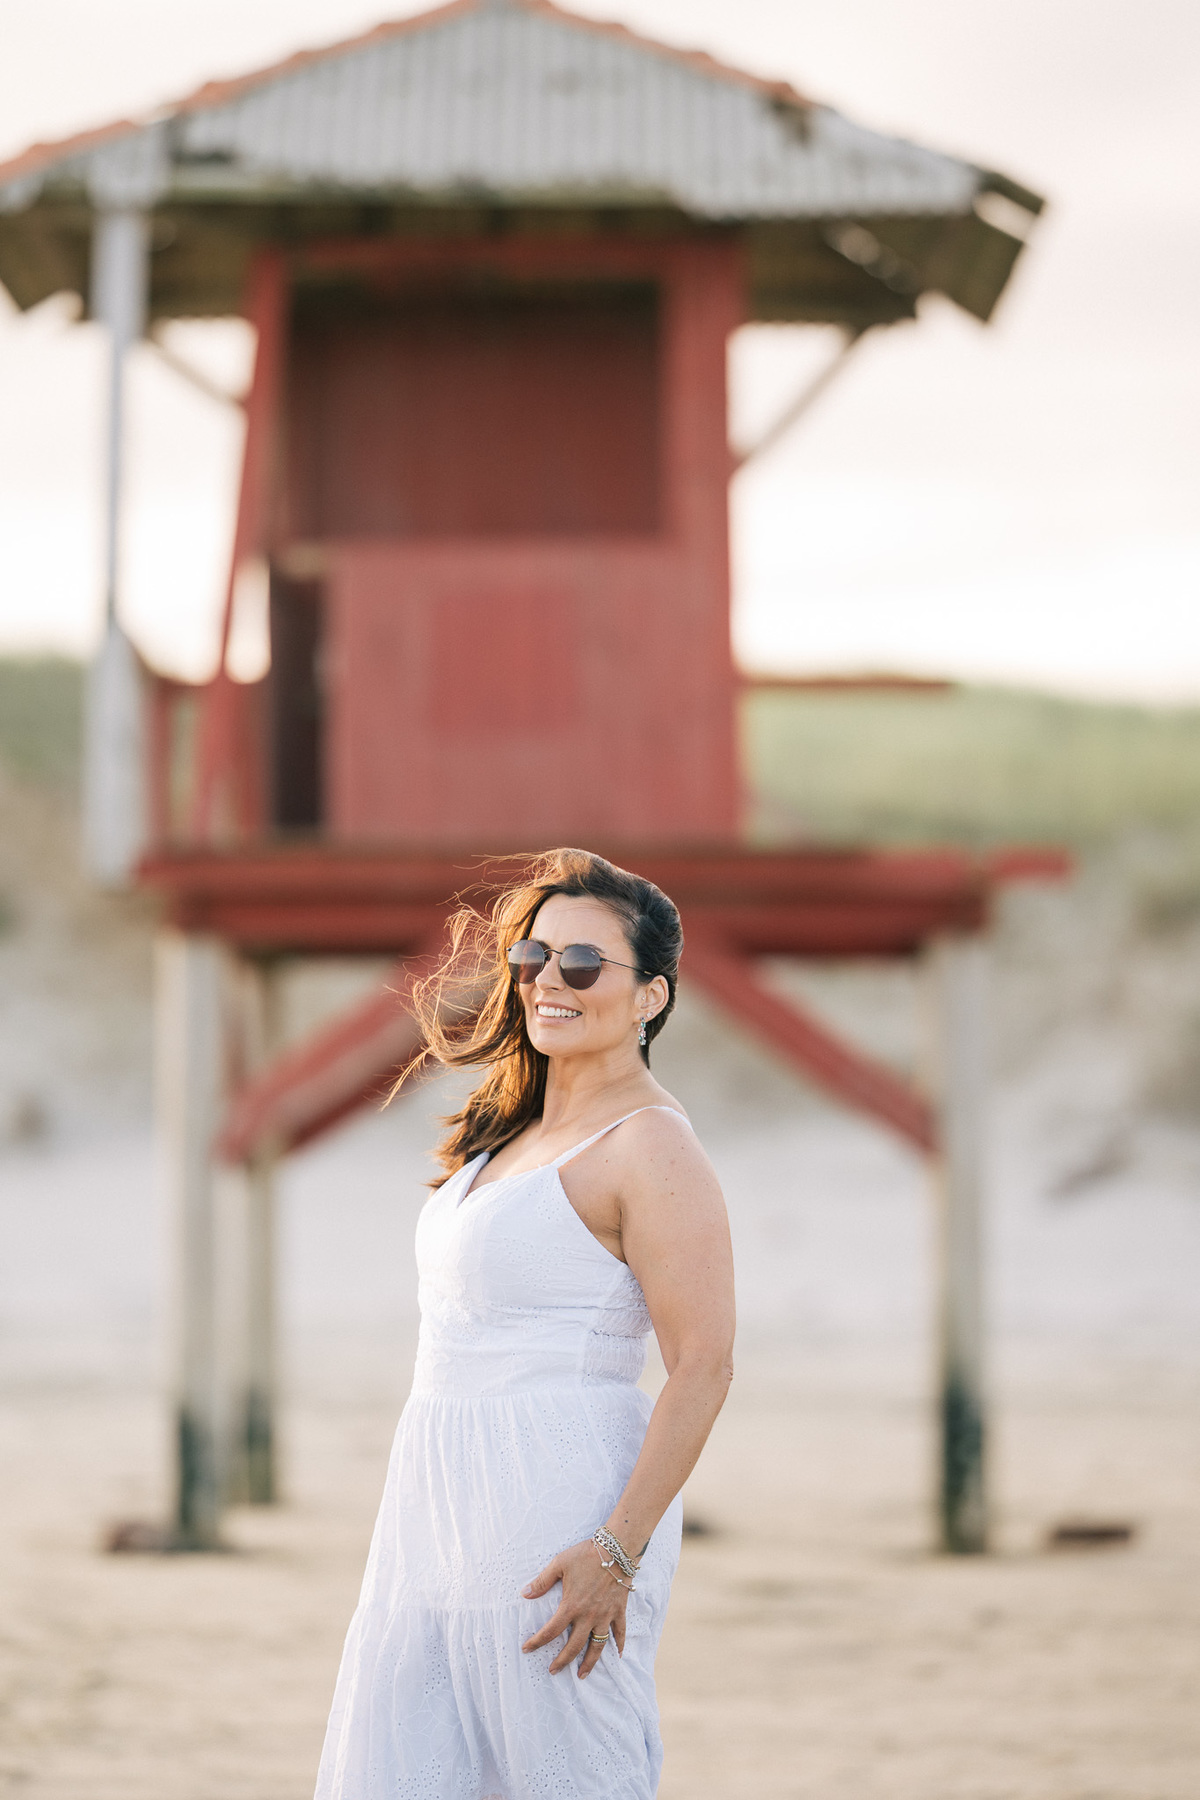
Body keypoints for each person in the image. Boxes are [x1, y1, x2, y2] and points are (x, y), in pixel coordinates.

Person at [314, 848, 736, 1800]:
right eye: (534, 959)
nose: (551, 981)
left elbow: (705, 1363)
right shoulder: (509, 1133)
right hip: (434, 1519)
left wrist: (616, 1556)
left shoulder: (652, 1144)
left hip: (560, 1525)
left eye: (583, 964)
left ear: (650, 998)